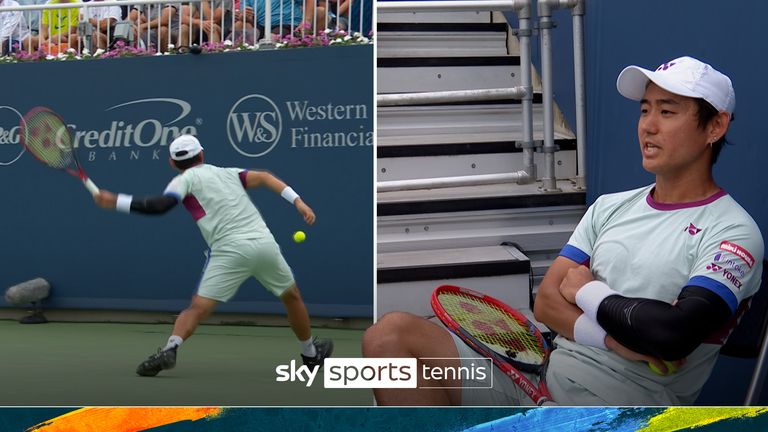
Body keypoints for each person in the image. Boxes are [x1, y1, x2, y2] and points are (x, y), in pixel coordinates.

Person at [363, 55, 764, 406]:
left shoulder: (733, 233)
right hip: (539, 377)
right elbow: (547, 303)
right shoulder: (609, 207)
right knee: (390, 338)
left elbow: (671, 334)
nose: (648, 126)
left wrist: (586, 290)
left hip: (624, 408)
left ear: (715, 126)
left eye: (668, 111)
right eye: (645, 110)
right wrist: (611, 339)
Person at [93, 134, 333, 377]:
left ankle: (171, 347)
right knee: (292, 297)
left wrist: (116, 201)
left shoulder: (182, 180)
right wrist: (298, 202)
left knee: (196, 309)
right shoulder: (229, 173)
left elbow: (160, 206)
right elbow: (264, 177)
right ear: (202, 154)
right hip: (263, 246)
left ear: (172, 163)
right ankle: (310, 354)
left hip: (228, 252)